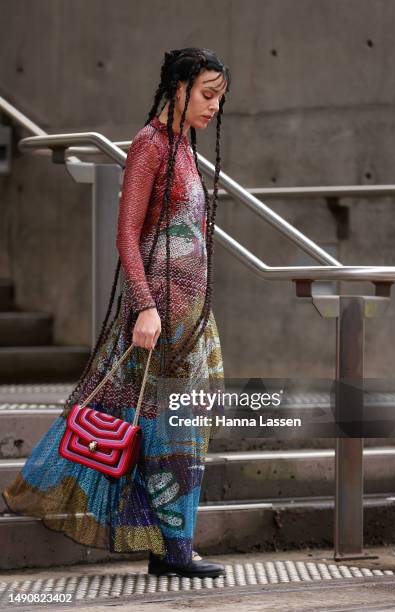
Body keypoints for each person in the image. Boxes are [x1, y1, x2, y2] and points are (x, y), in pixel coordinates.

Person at [2, 47, 230, 579]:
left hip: (189, 316)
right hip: (158, 316)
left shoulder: (184, 147)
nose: (215, 106)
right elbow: (127, 235)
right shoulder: (150, 146)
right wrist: (147, 307)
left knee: (182, 427)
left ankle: (172, 546)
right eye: (207, 94)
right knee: (163, 428)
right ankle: (173, 551)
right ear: (178, 88)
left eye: (220, 98)